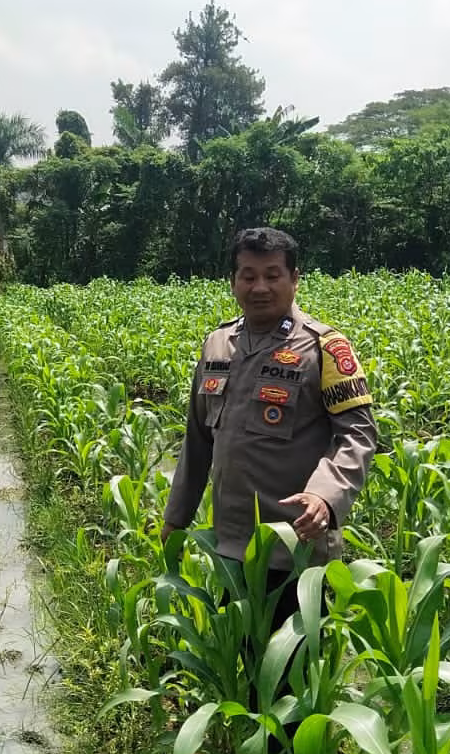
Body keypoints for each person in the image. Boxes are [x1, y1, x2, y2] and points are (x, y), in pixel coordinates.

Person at [161, 227, 378, 630]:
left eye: (272, 275)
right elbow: (197, 440)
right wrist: (176, 518)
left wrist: (324, 498)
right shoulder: (218, 344)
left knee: (291, 671)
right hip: (231, 545)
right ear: (233, 282)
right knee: (239, 661)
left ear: (295, 279)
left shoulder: (323, 347)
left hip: (294, 546)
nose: (259, 286)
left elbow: (358, 435)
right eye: (248, 275)